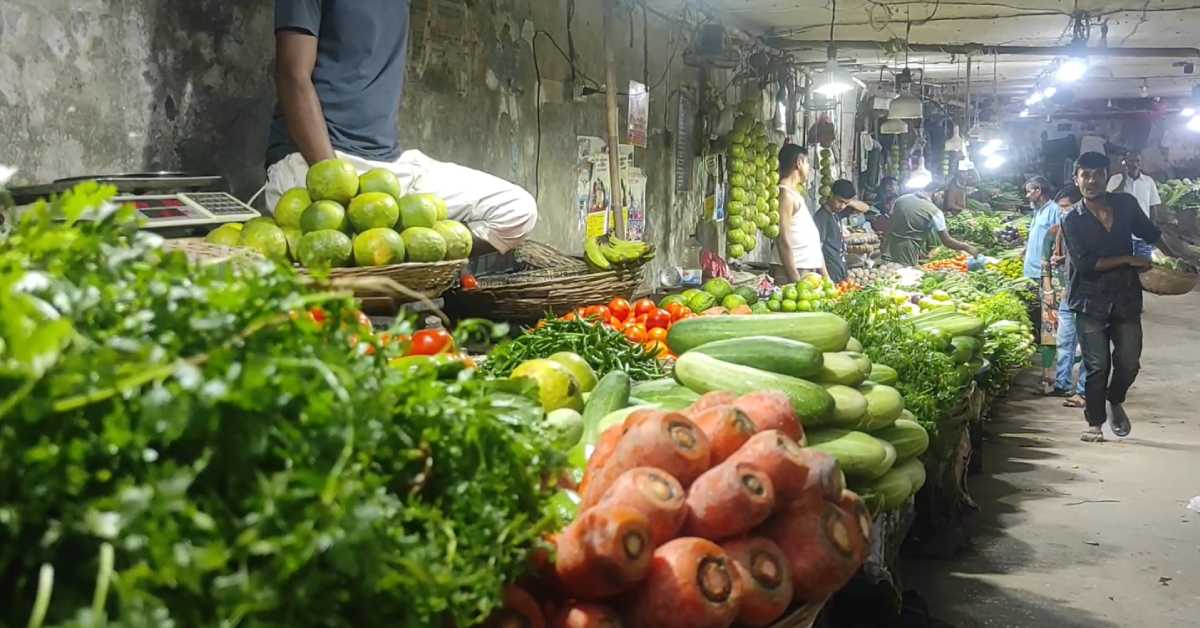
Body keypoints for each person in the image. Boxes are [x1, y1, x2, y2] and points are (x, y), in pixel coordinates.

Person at [265, 0, 537, 255]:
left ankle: (404, 249)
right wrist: (334, 181)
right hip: (314, 163)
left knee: (516, 210)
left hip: (387, 170)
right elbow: (292, 75)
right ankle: (379, 249)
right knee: (330, 251)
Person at [1061, 152, 1161, 442]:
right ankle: (1095, 423)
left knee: (1129, 362)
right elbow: (1086, 264)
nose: (1091, 181)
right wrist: (1129, 258)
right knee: (1098, 365)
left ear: (1108, 176)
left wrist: (1177, 256)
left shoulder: (1126, 205)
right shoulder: (1072, 219)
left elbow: (1151, 233)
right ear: (1076, 178)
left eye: (1097, 175)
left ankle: (1115, 399)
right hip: (1088, 300)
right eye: (1085, 175)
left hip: (1126, 298)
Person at [1050, 185, 1086, 408]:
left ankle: (1083, 390)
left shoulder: (1087, 226)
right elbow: (1060, 253)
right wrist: (1059, 259)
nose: (1063, 211)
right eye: (1060, 208)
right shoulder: (1064, 226)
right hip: (1067, 292)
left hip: (1085, 295)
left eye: (1066, 206)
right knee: (1064, 341)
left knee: (1087, 343)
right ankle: (1062, 384)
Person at [882, 186, 978, 266]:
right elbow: (947, 241)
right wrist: (966, 247)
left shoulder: (902, 199)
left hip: (887, 247)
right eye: (942, 196)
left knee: (887, 277)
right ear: (936, 194)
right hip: (907, 252)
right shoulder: (935, 212)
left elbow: (890, 221)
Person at [774, 144, 826, 283]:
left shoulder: (795, 194)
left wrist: (825, 276)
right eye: (807, 162)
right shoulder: (785, 194)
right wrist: (795, 279)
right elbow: (782, 239)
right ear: (799, 163)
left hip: (806, 271)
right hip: (795, 272)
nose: (809, 168)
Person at [1106, 149, 1161, 260]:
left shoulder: (1148, 181)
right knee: (1123, 268)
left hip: (1143, 237)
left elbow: (1153, 206)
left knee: (1144, 268)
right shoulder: (1115, 179)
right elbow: (1109, 199)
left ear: (1141, 163)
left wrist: (1152, 229)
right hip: (1121, 236)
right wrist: (1124, 178)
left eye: (1137, 161)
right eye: (1131, 161)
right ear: (1125, 162)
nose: (1134, 164)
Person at [814, 180, 870, 284]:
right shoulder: (822, 218)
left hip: (840, 270)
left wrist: (850, 202)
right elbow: (817, 250)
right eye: (840, 201)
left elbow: (865, 208)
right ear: (831, 195)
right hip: (830, 273)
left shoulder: (836, 213)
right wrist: (826, 278)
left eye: (846, 203)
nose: (842, 206)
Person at [1022, 176, 1060, 282]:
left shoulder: (1054, 210)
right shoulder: (1037, 211)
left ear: (1038, 190)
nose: (1027, 196)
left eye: (1029, 192)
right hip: (1032, 270)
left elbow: (1058, 241)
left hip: (1043, 273)